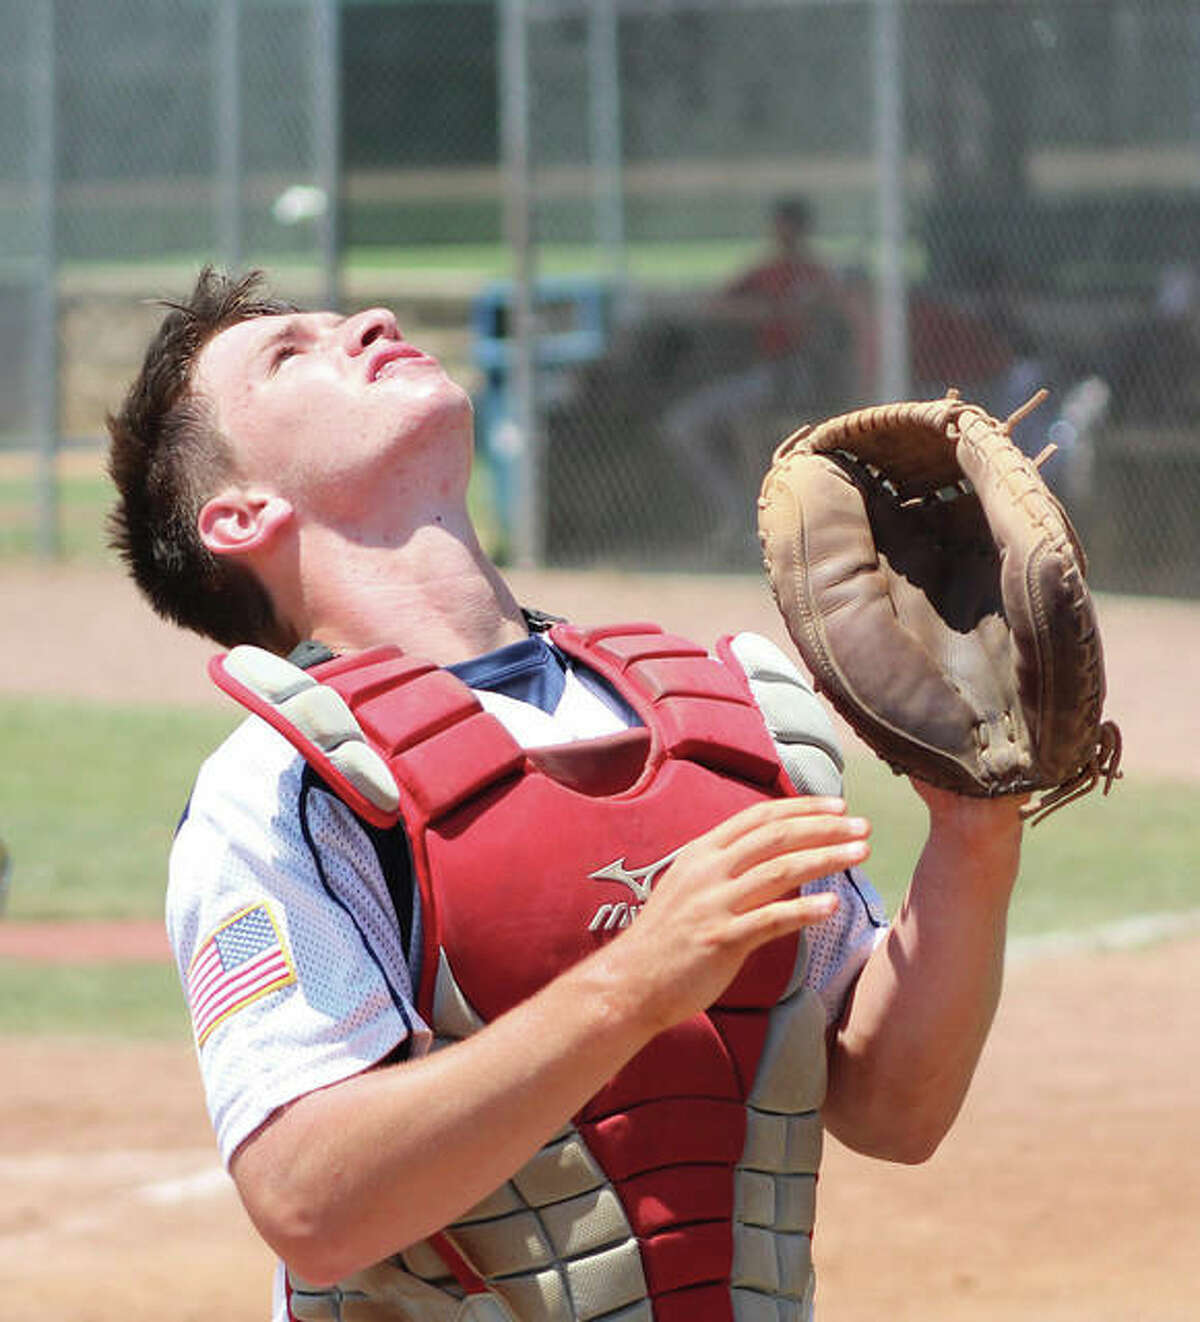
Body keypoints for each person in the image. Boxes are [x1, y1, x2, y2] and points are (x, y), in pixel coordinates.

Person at [107, 267, 1026, 1322]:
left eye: (348, 317)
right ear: (239, 514)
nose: (373, 322)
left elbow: (891, 1102)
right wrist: (635, 980)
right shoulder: (291, 784)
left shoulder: (717, 719)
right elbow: (312, 1200)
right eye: (290, 353)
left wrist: (973, 833)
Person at [660, 198, 855, 554]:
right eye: (780, 226)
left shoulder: (817, 274)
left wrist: (805, 314)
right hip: (766, 375)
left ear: (802, 230)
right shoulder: (765, 272)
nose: (784, 235)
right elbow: (717, 305)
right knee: (683, 426)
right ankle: (738, 512)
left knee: (733, 427)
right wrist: (763, 312)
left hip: (799, 375)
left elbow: (841, 319)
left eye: (790, 227)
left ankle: (755, 524)